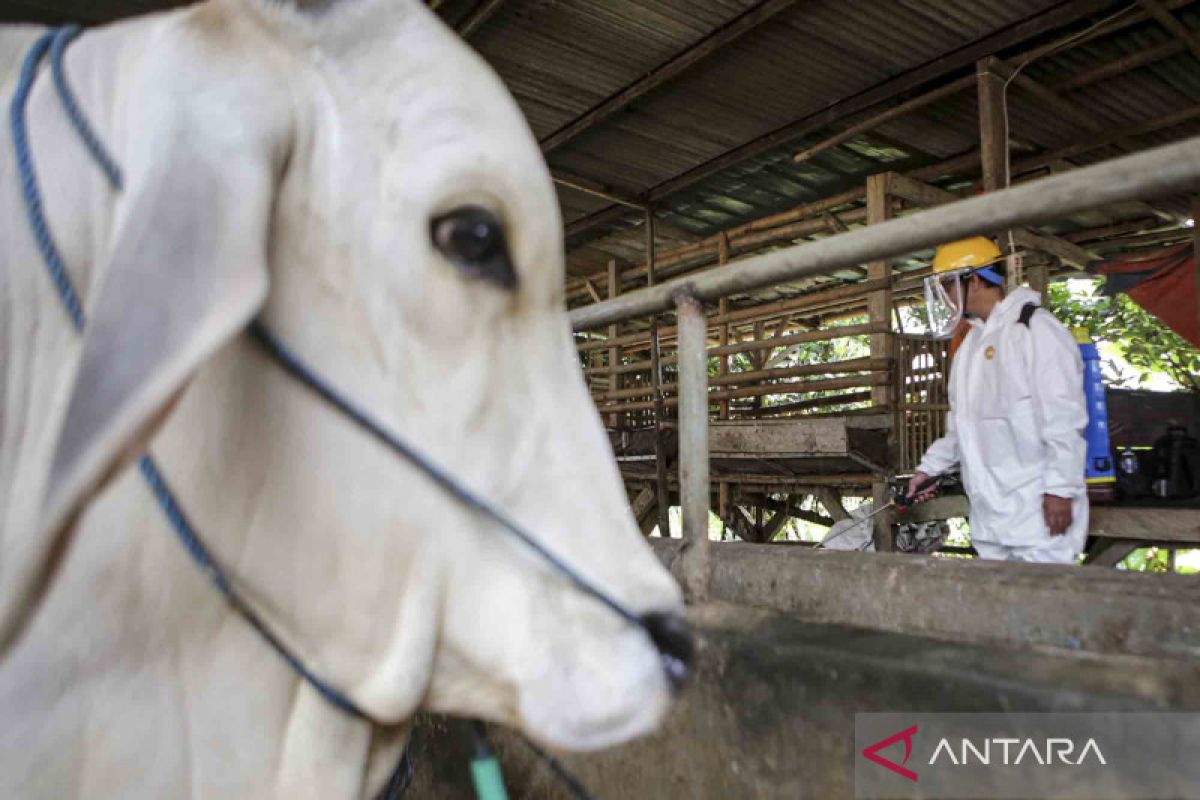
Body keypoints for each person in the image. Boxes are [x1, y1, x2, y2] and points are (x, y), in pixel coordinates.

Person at [908, 236, 1089, 563]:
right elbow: (960, 426)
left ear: (974, 280)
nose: (945, 296)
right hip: (990, 516)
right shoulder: (969, 347)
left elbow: (1064, 417)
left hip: (1038, 514)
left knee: (1045, 606)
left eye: (947, 285)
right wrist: (928, 470)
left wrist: (1061, 490)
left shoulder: (1036, 329)